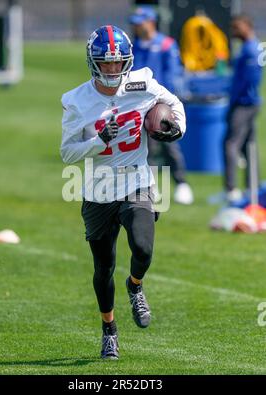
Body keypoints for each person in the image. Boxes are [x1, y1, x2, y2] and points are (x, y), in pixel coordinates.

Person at [60, 25, 186, 360]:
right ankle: (109, 331)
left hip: (137, 181)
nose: (114, 69)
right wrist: (98, 140)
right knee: (103, 268)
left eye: (119, 63)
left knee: (143, 249)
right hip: (98, 188)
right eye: (107, 62)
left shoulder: (142, 82)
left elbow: (171, 102)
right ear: (93, 62)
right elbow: (67, 153)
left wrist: (177, 128)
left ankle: (135, 284)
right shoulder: (77, 100)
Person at [129, 6, 194, 205]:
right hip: (139, 105)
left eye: (141, 22)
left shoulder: (166, 45)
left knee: (170, 145)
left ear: (151, 22)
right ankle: (149, 187)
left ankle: (182, 184)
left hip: (159, 104)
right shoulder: (135, 46)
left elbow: (172, 75)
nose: (138, 26)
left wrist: (163, 101)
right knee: (143, 148)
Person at [223, 14, 263, 202]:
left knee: (231, 144)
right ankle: (251, 187)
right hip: (249, 103)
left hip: (244, 104)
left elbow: (249, 80)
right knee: (249, 145)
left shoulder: (251, 49)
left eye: (237, 27)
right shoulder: (251, 47)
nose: (234, 32)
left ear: (247, 26)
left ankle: (231, 189)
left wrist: (235, 100)